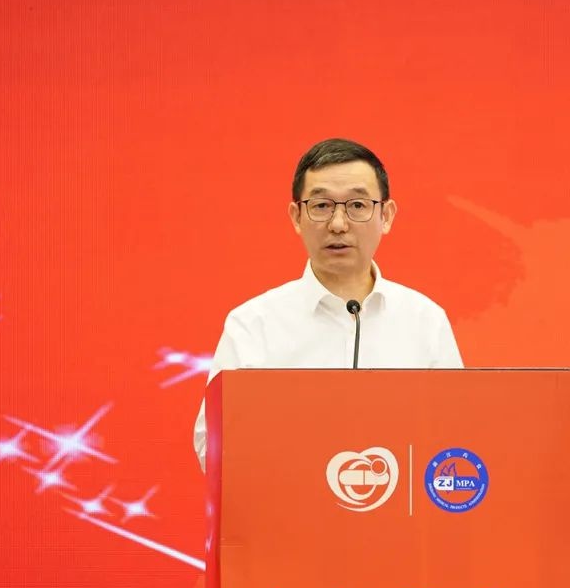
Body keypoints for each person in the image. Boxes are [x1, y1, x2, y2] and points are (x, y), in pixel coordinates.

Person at [193, 138, 463, 469]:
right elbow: (212, 445)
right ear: (297, 216)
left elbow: (456, 435)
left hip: (398, 497)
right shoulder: (253, 324)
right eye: (321, 206)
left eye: (357, 205)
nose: (338, 224)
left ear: (386, 215)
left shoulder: (426, 320)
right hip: (289, 498)